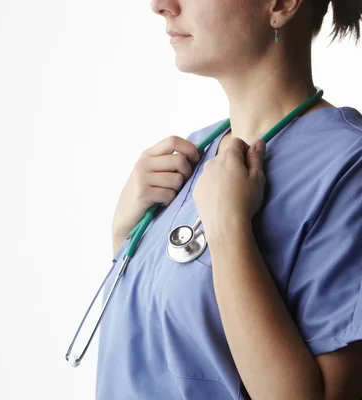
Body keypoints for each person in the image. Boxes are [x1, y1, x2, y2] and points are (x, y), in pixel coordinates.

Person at [98, 0, 362, 398]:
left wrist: (229, 230)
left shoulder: (347, 170)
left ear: (282, 4)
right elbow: (154, 355)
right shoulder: (194, 154)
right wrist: (125, 237)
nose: (161, 6)